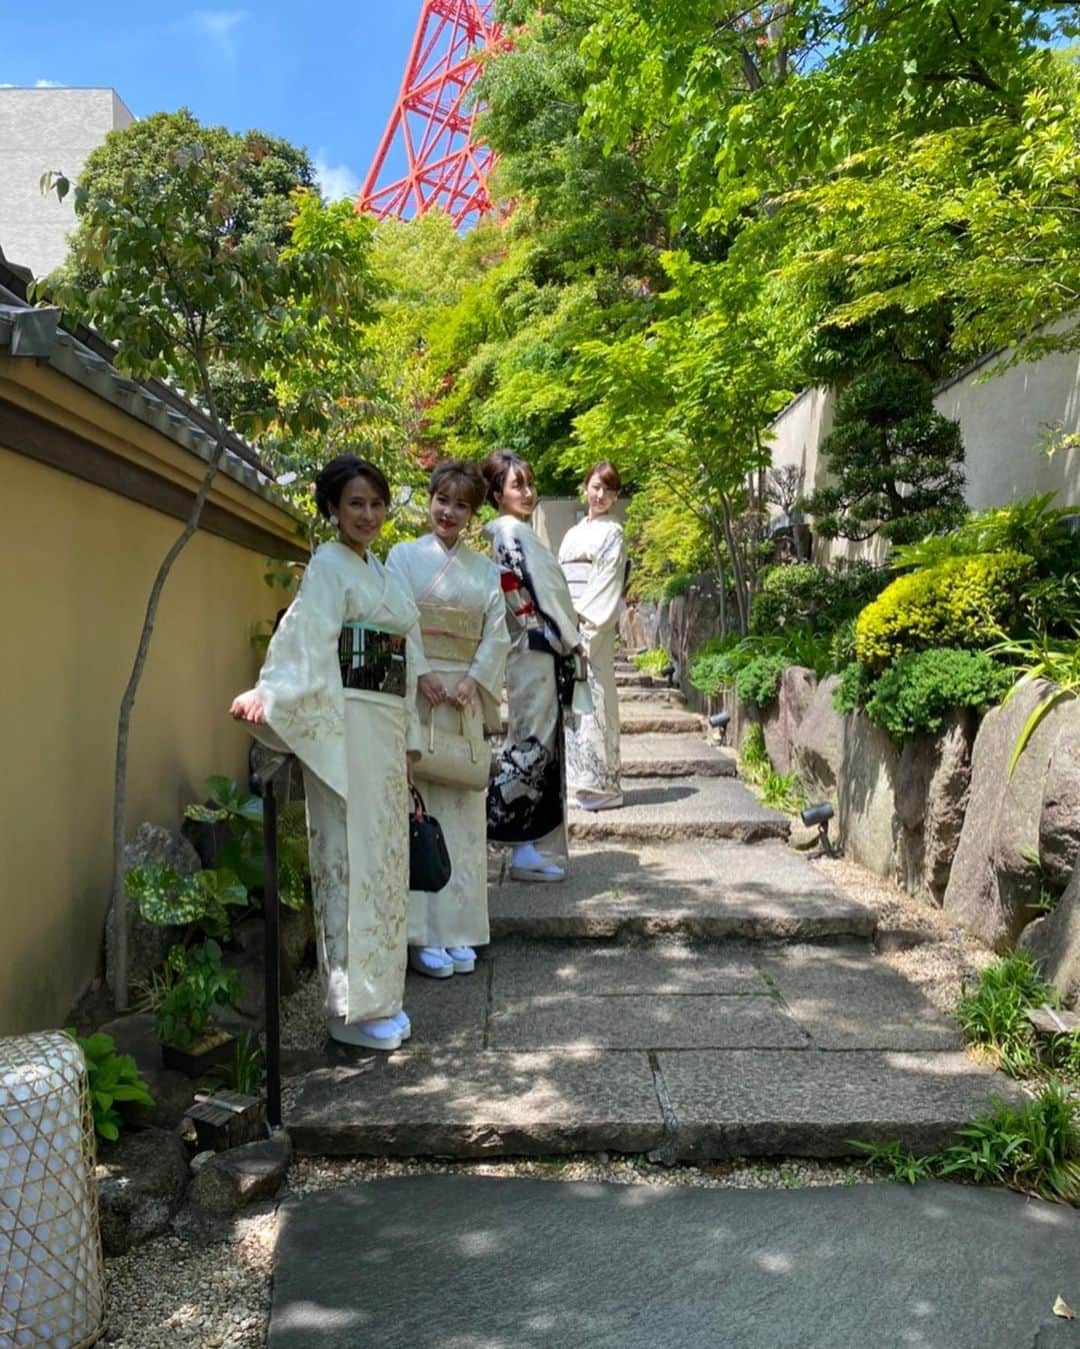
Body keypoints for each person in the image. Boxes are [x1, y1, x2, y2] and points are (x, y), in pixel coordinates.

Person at [229, 453, 422, 1052]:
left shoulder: (385, 572)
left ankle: (380, 996)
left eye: (376, 503)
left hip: (385, 730)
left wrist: (411, 737)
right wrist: (273, 692)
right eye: (355, 504)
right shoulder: (328, 566)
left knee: (386, 863)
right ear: (333, 510)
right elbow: (307, 639)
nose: (367, 514)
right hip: (347, 725)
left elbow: (407, 657)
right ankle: (350, 1007)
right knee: (351, 854)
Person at [386, 461, 510, 979]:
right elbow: (396, 618)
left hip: (461, 699)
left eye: (461, 505)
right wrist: (418, 674)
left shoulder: (484, 570)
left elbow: (498, 632)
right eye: (442, 499)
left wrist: (472, 679)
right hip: (421, 695)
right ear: (429, 499)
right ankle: (420, 934)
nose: (448, 512)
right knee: (418, 811)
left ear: (473, 513)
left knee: (460, 812)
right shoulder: (401, 557)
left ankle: (459, 930)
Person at [481, 450, 581, 882]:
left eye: (528, 483)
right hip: (534, 642)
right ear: (497, 493)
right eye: (516, 484)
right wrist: (568, 637)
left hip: (535, 644)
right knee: (531, 741)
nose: (527, 491)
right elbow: (542, 590)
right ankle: (514, 838)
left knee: (537, 738)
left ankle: (528, 841)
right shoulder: (510, 532)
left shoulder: (512, 532)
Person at [559, 461, 627, 811]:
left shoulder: (613, 533)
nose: (600, 495)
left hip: (590, 628)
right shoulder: (572, 535)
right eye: (596, 486)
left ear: (615, 497)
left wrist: (584, 631)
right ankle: (575, 779)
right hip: (567, 623)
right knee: (571, 703)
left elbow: (605, 584)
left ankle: (601, 783)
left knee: (595, 694)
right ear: (585, 486)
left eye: (609, 490)